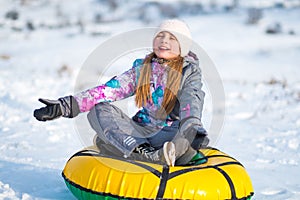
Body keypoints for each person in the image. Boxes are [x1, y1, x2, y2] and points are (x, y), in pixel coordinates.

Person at [33, 19, 209, 167]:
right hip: (142, 132)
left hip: (169, 134)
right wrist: (66, 105)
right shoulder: (143, 68)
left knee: (186, 139)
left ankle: (137, 149)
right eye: (160, 35)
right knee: (99, 109)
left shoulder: (188, 72)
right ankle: (144, 153)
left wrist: (192, 126)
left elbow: (191, 100)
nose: (164, 40)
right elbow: (110, 90)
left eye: (172, 38)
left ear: (183, 46)